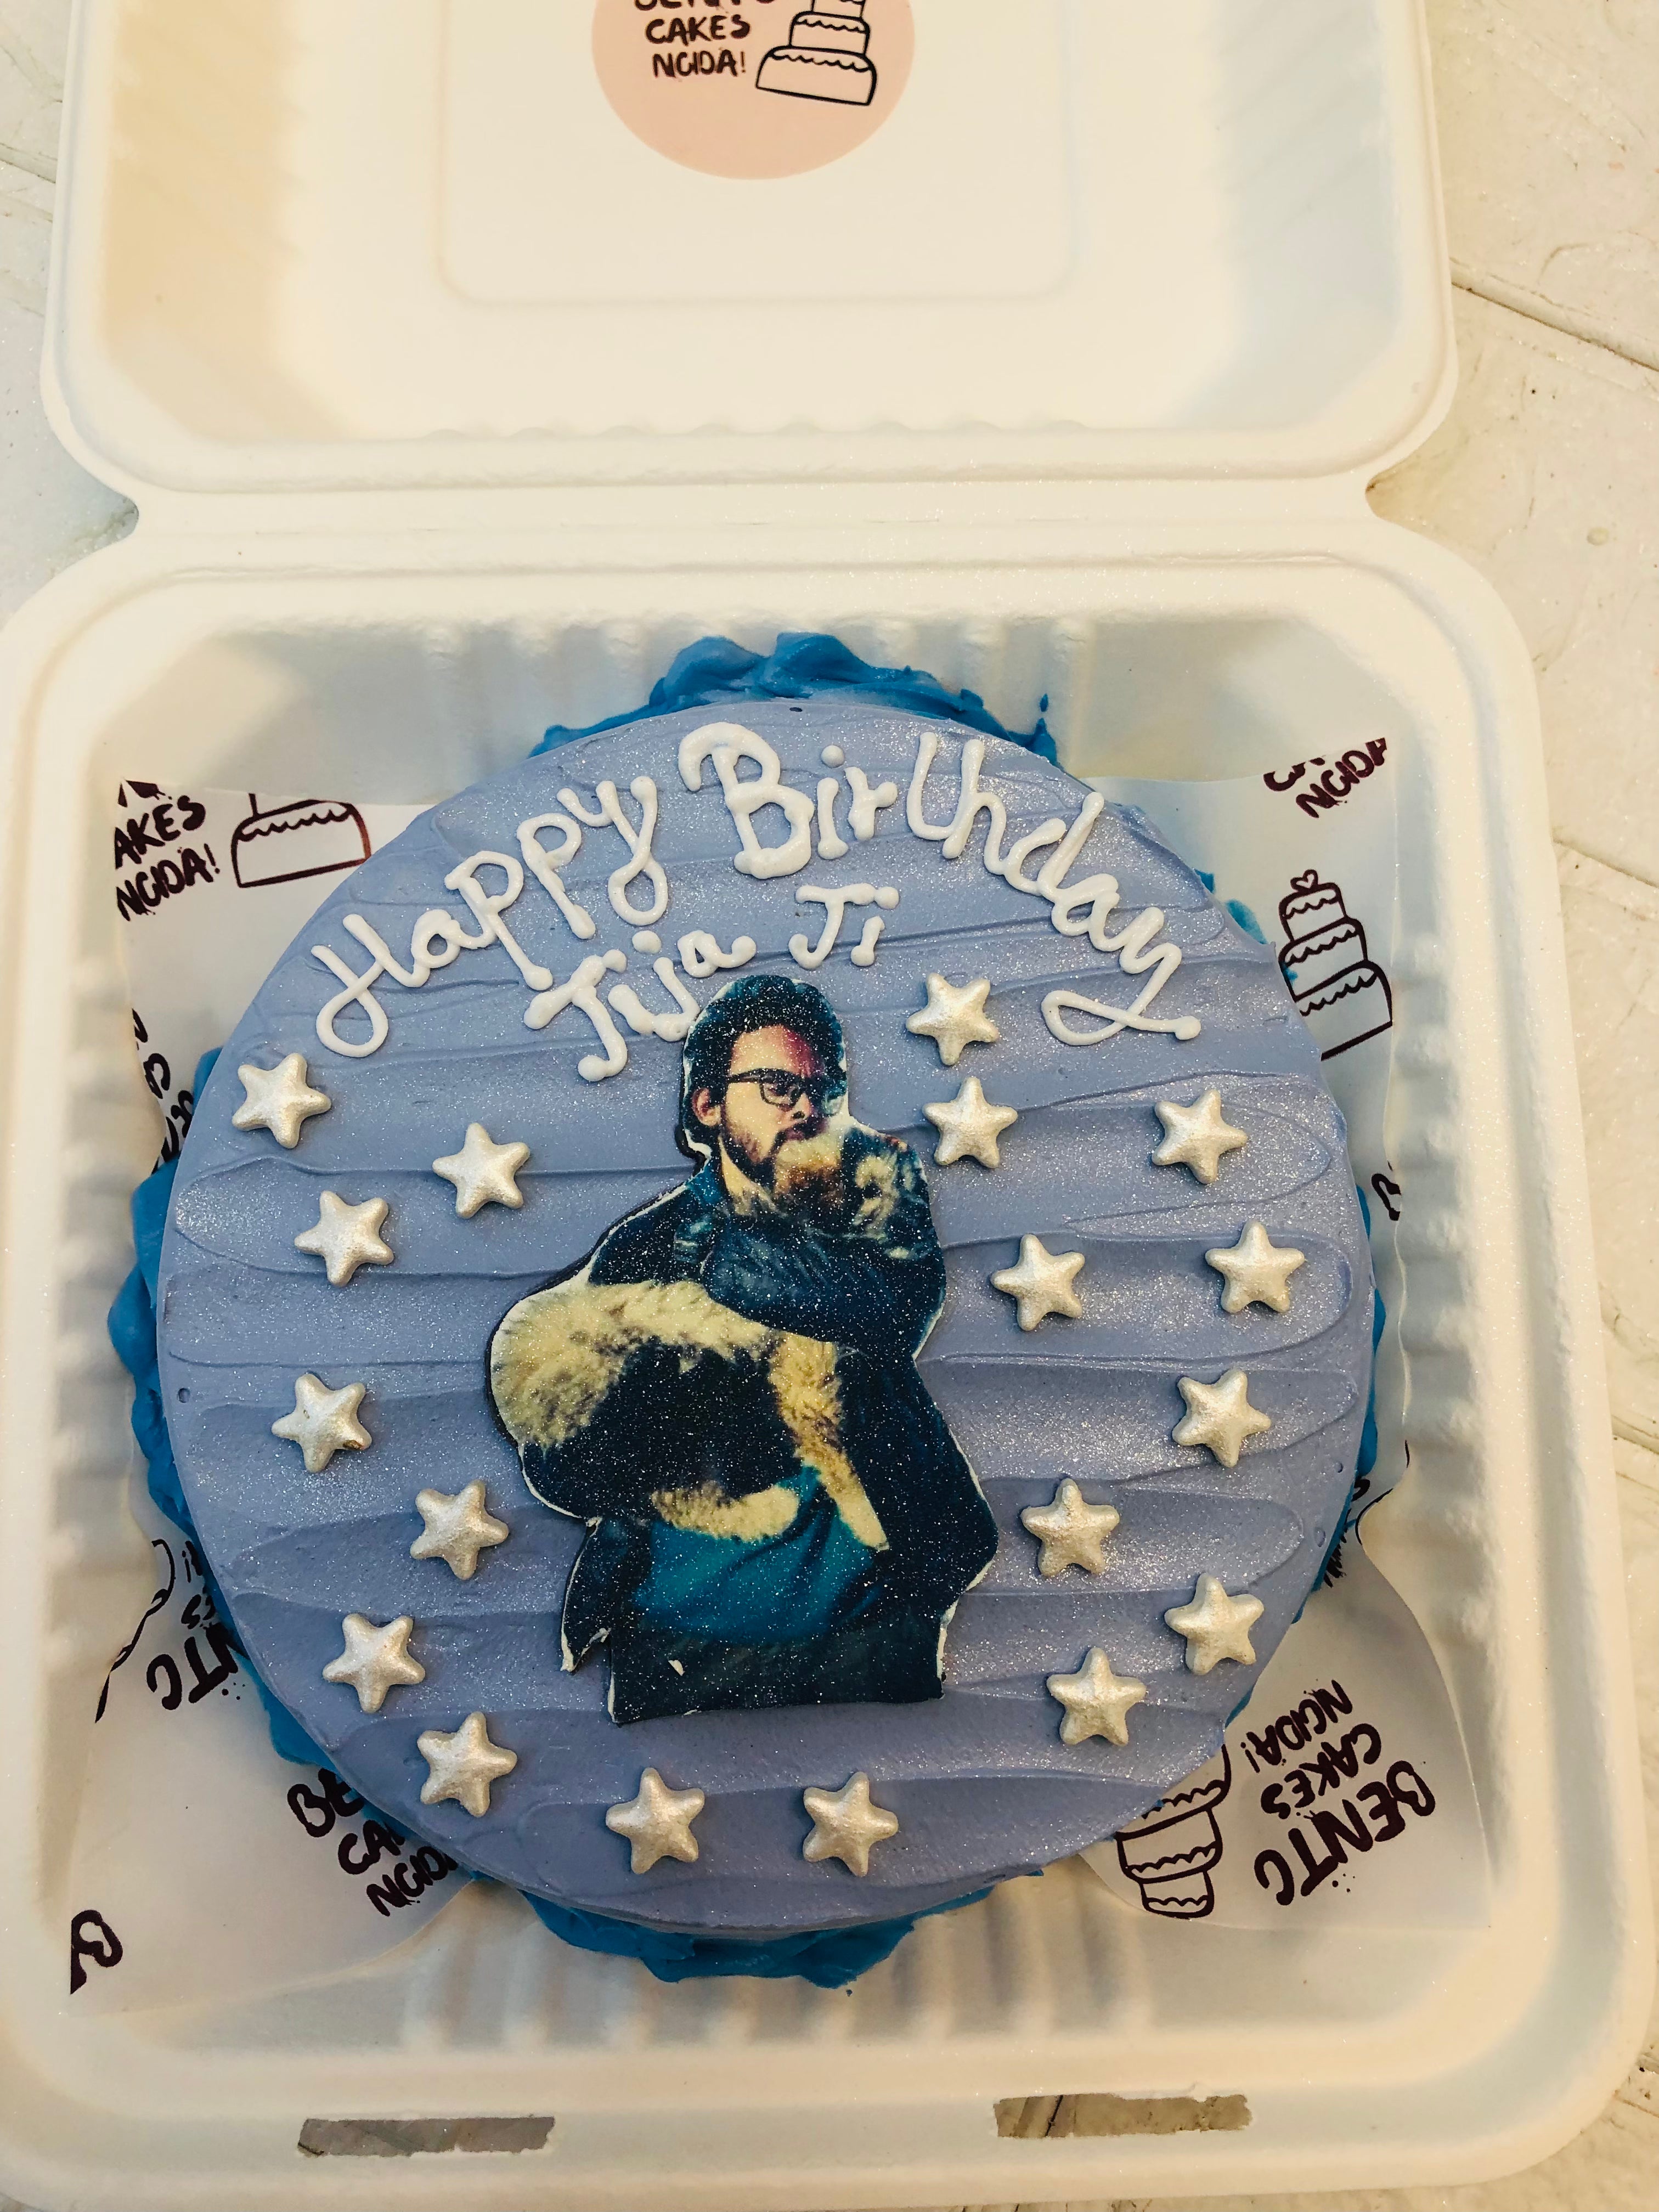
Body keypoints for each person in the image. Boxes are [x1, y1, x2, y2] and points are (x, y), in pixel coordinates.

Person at [489, 973, 998, 1724]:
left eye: (820, 1088)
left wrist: (724, 1268)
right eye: (773, 1084)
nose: (803, 1106)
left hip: (875, 1618)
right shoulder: (647, 1246)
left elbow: (896, 1308)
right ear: (707, 1103)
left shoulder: (873, 1199)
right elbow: (567, 1459)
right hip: (678, 1630)